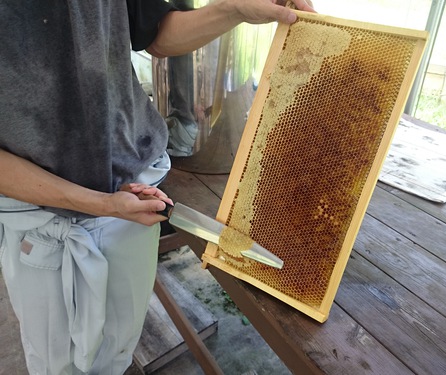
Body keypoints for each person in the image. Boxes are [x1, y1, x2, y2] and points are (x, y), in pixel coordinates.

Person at [0, 0, 314, 374]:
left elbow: (153, 31)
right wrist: (101, 203)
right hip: (41, 221)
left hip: (132, 199)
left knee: (116, 352)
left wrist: (235, 10)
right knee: (58, 365)